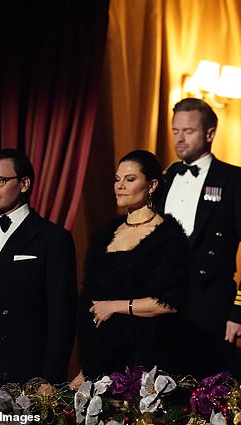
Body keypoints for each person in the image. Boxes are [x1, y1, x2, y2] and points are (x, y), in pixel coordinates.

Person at [157, 98, 241, 376]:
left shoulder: (237, 180)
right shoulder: (166, 177)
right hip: (161, 302)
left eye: (188, 131)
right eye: (175, 131)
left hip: (210, 304)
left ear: (209, 133)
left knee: (208, 392)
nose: (179, 139)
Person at [0, 149, 77, 384]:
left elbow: (62, 317)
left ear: (24, 184)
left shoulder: (52, 238)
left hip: (25, 376)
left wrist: (49, 380)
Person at [71, 150, 189, 385]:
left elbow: (170, 302)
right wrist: (87, 367)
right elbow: (90, 304)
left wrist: (115, 306)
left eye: (130, 179)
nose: (120, 186)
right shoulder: (105, 235)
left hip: (147, 365)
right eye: (117, 179)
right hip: (102, 362)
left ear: (152, 185)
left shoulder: (169, 236)